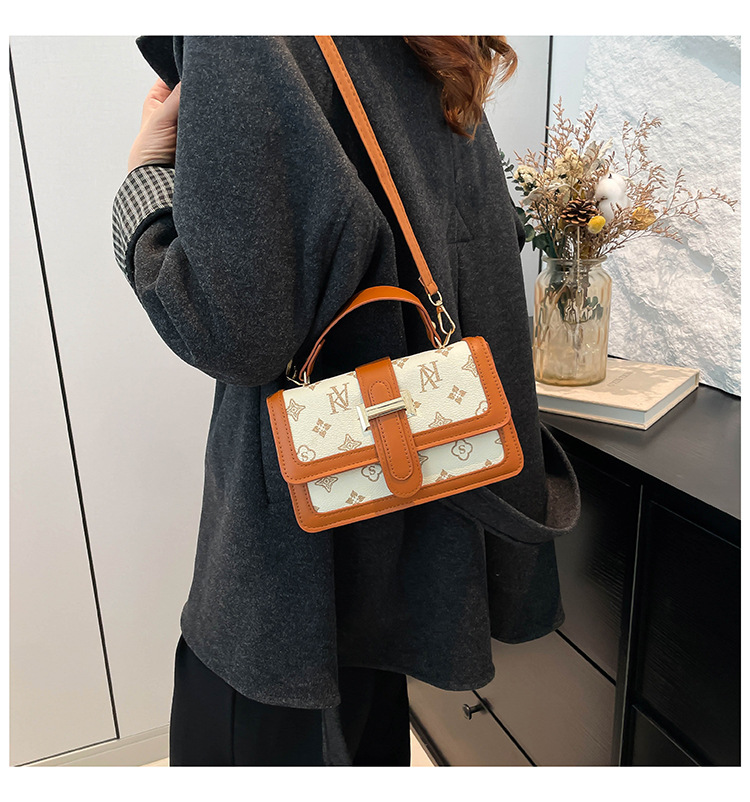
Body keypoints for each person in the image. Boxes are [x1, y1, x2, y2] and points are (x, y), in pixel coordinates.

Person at [111, 35, 580, 767]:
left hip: (296, 561)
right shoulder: (420, 34)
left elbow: (231, 328)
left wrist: (144, 180)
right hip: (404, 531)